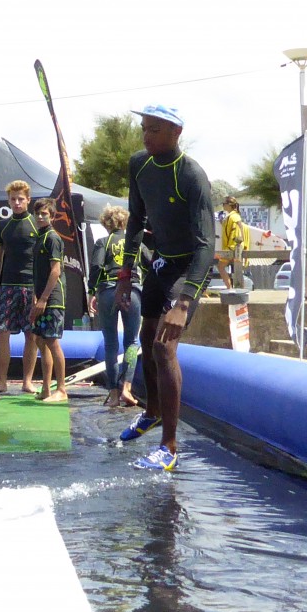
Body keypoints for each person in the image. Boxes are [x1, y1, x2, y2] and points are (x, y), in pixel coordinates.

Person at [115, 105, 214, 471]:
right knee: (145, 335)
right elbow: (136, 220)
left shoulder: (192, 175)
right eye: (144, 128)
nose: (146, 135)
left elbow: (207, 245)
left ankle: (169, 447)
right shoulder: (139, 164)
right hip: (159, 262)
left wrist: (185, 301)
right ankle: (152, 412)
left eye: (154, 129)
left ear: (176, 132)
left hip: (188, 267)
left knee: (164, 347)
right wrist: (125, 273)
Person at [88, 204, 142, 408]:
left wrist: (91, 291)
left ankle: (112, 394)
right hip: (132, 291)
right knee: (132, 341)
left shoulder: (103, 241)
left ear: (106, 223)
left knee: (110, 343)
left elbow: (96, 267)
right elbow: (148, 261)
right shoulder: (135, 243)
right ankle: (126, 388)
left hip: (108, 291)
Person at [0, 180, 40, 395]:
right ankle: (2, 381)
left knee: (31, 335)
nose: (17, 203)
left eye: (21, 199)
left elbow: (43, 261)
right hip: (7, 287)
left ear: (28, 199)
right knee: (2, 332)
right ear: (8, 201)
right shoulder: (2, 225)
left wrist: (41, 292)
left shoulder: (37, 225)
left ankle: (27, 381)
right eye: (13, 199)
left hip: (31, 286)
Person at [29, 198, 68, 403]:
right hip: (42, 297)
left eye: (45, 213)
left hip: (53, 298)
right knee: (39, 340)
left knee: (52, 341)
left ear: (52, 216)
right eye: (38, 213)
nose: (41, 216)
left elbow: (56, 270)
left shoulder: (52, 237)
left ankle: (61, 389)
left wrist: (44, 298)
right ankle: (46, 387)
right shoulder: (40, 236)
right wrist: (36, 297)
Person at [217, 195, 248, 289]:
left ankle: (230, 289)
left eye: (224, 204)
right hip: (233, 248)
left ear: (229, 205)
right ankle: (233, 289)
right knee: (236, 270)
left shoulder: (233, 217)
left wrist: (231, 248)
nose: (223, 206)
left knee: (221, 267)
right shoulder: (233, 216)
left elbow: (236, 234)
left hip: (233, 248)